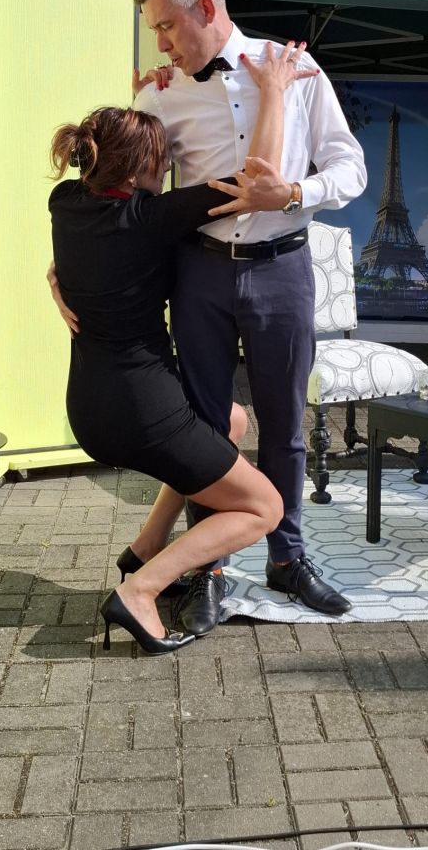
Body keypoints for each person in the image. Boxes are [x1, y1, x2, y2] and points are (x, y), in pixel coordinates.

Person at [130, 0, 368, 636]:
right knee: (203, 430)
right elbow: (135, 198)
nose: (161, 44)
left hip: (283, 268)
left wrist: (294, 192)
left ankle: (286, 558)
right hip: (198, 272)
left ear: (206, 8)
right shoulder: (160, 93)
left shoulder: (297, 69)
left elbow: (350, 167)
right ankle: (205, 569)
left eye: (165, 26)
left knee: (284, 425)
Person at [49, 42, 314, 654]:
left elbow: (81, 245)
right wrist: (274, 90)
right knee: (264, 508)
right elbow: (256, 182)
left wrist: (141, 103)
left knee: (231, 422)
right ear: (138, 170)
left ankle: (144, 547)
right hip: (146, 412)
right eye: (162, 158)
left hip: (88, 407)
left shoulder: (64, 204)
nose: (170, 166)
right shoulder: (153, 217)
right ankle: (142, 590)